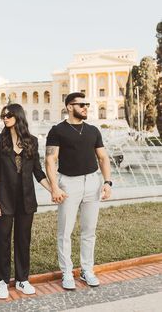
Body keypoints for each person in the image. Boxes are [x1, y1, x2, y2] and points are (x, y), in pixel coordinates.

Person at [45, 92, 112, 290]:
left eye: (86, 104)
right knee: (65, 232)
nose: (85, 107)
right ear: (69, 107)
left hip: (93, 182)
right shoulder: (57, 130)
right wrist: (55, 187)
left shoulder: (93, 130)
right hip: (68, 184)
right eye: (80, 104)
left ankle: (86, 270)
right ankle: (67, 273)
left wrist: (107, 182)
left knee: (89, 231)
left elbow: (103, 158)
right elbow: (50, 160)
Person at [0, 103, 51, 299]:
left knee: (23, 240)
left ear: (18, 116)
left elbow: (38, 172)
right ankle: (2, 281)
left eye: (8, 115)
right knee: (2, 240)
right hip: (4, 199)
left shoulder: (32, 141)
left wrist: (53, 190)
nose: (5, 118)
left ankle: (23, 280)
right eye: (3, 116)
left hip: (26, 200)